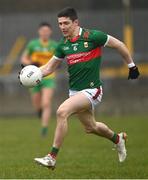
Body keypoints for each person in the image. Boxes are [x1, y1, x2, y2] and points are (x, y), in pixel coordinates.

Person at [34, 7, 140, 168]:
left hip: (93, 90)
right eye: (60, 24)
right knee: (91, 127)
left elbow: (119, 44)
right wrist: (30, 74)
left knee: (62, 112)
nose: (62, 27)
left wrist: (131, 66)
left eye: (66, 23)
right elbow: (48, 68)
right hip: (75, 93)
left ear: (76, 22)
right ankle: (118, 139)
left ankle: (51, 157)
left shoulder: (93, 36)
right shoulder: (63, 45)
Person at [21, 22, 57, 136]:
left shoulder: (54, 45)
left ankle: (44, 128)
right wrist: (31, 63)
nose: (45, 33)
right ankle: (39, 112)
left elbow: (58, 60)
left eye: (47, 31)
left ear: (50, 32)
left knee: (46, 102)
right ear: (39, 32)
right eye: (43, 31)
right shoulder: (33, 44)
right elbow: (23, 59)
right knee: (37, 103)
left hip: (49, 77)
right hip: (33, 78)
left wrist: (56, 65)